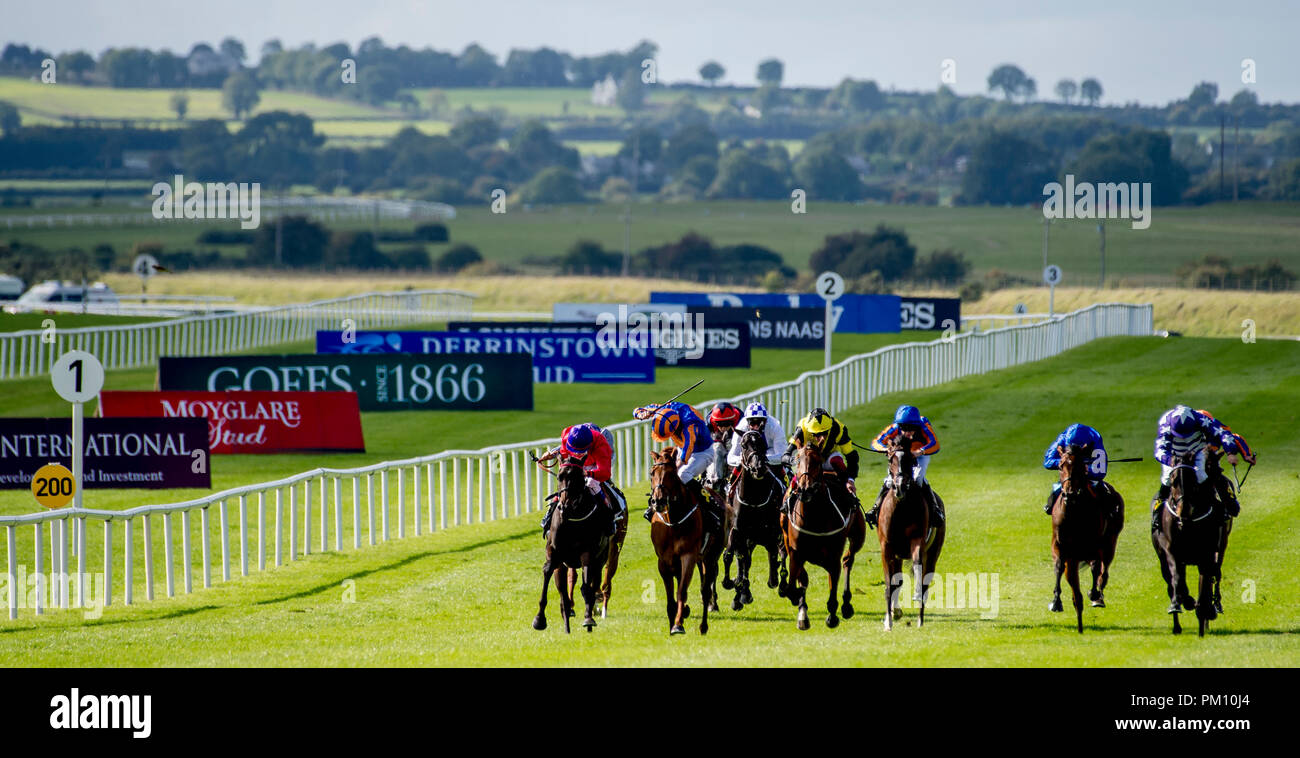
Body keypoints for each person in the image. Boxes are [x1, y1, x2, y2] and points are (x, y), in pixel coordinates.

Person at [1151, 405, 1244, 529]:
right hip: (1174, 456)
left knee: (1201, 474)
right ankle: (1158, 509)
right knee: (1167, 478)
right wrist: (1172, 461)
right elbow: (1160, 451)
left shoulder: (1201, 419)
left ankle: (1221, 504)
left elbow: (1223, 433)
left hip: (1198, 452)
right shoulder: (1165, 423)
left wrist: (1230, 452)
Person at [634, 401, 719, 522]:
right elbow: (638, 409)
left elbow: (687, 452)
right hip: (682, 447)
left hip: (702, 452)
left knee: (682, 474)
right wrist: (641, 414)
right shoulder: (666, 410)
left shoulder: (690, 425)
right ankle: (654, 504)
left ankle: (710, 505)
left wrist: (674, 468)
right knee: (660, 472)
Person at [537, 423, 624, 536]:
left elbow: (605, 473)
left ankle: (608, 517)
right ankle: (550, 514)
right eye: (575, 450)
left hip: (595, 464)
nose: (577, 453)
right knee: (566, 481)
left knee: (592, 482)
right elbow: (563, 455)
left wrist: (587, 473)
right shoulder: (566, 436)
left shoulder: (600, 443)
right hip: (577, 464)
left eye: (580, 451)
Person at [866, 405, 942, 528]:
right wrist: (886, 449)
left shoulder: (923, 425)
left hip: (919, 455)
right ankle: (875, 508)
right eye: (904, 428)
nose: (907, 432)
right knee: (890, 480)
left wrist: (920, 451)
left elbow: (935, 444)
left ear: (917, 425)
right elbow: (876, 442)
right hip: (901, 456)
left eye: (911, 429)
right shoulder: (894, 428)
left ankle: (935, 509)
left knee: (918, 478)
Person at [782, 407, 859, 512]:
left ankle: (850, 497)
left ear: (829, 428)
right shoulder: (802, 427)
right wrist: (797, 463)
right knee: (804, 465)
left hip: (829, 458)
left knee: (836, 460)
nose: (820, 438)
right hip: (809, 460)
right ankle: (788, 500)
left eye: (823, 433)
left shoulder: (838, 428)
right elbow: (785, 455)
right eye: (815, 434)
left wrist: (850, 480)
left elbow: (852, 457)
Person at [1041, 423, 1120, 519]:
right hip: (1070, 473)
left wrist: (1084, 468)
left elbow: (1100, 473)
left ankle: (1110, 511)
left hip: (1088, 474)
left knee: (1101, 489)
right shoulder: (1062, 439)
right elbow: (1048, 462)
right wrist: (1068, 463)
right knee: (1056, 491)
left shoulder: (1095, 440)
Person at [1196, 408, 1255, 520]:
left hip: (1210, 469)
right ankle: (1160, 503)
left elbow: (1234, 438)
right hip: (1189, 466)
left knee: (1221, 482)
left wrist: (1246, 454)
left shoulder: (1214, 429)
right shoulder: (1186, 431)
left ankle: (1229, 508)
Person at [726, 401, 788, 485]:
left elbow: (783, 456)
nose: (755, 426)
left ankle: (788, 486)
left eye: (759, 422)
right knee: (741, 462)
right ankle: (730, 487)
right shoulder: (741, 427)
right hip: (750, 457)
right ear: (747, 421)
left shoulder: (775, 427)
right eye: (752, 422)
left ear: (765, 421)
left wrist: (764, 459)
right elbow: (730, 457)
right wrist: (744, 460)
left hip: (770, 452)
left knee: (785, 468)